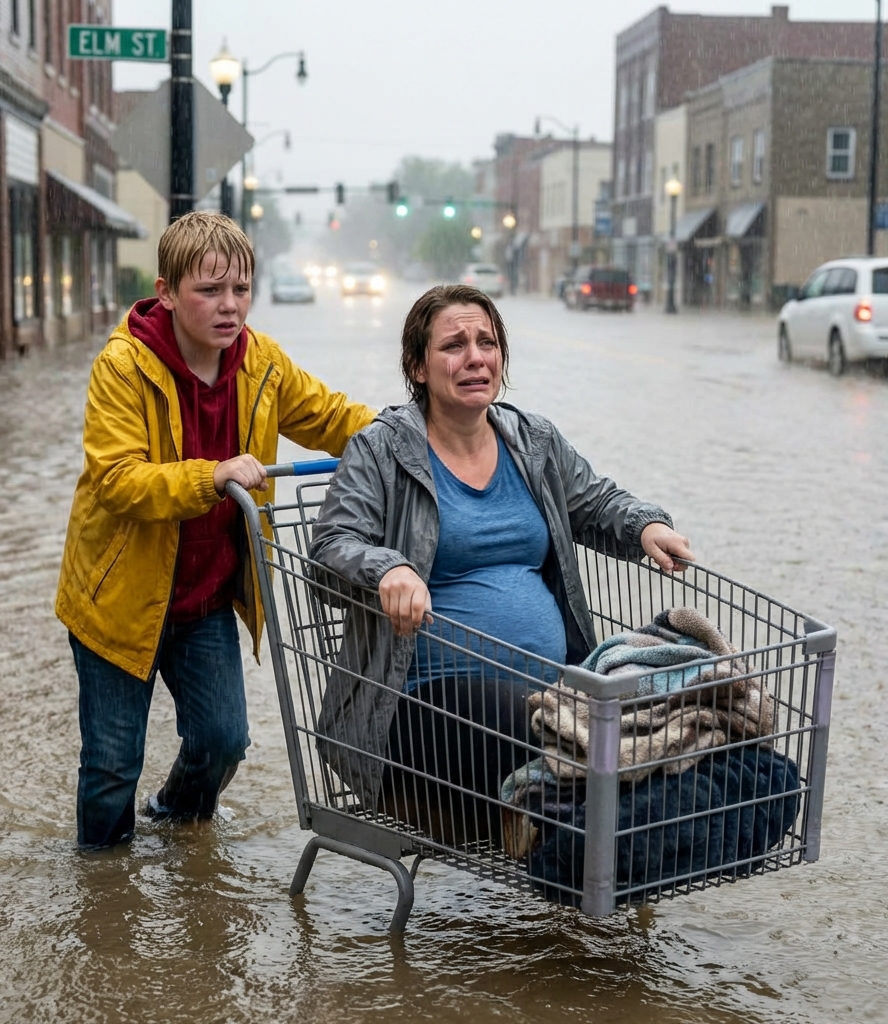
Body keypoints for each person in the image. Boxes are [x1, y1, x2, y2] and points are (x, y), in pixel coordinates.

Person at [310, 284, 693, 846]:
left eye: (486, 342)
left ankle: (606, 835)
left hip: (549, 687)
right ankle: (556, 826)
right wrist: (387, 568)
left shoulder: (532, 440)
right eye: (453, 345)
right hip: (420, 699)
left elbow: (597, 501)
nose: (474, 358)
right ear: (418, 366)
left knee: (666, 707)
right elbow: (331, 545)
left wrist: (645, 525)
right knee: (566, 731)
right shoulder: (381, 450)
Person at [55, 212, 376, 849]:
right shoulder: (123, 366)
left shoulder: (262, 363)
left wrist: (415, 431)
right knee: (112, 766)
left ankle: (177, 819)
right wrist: (212, 474)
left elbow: (332, 415)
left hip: (203, 601)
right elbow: (117, 479)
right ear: (167, 291)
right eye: (209, 291)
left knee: (223, 741)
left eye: (241, 289)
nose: (229, 307)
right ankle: (103, 885)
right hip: (119, 601)